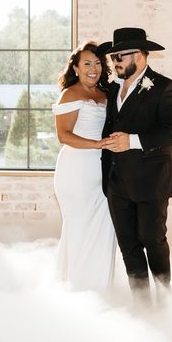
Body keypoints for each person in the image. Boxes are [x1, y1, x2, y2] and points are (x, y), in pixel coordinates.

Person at [97, 27, 172, 302]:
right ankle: (142, 303)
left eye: (120, 56)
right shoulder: (113, 88)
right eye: (112, 57)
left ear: (140, 56)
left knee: (152, 240)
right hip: (116, 182)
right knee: (129, 246)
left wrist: (132, 141)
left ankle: (165, 299)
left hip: (152, 181)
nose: (114, 62)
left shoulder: (166, 88)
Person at [51, 42, 118, 291]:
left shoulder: (106, 93)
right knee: (80, 227)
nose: (93, 68)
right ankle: (78, 288)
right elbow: (64, 135)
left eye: (98, 63)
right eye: (87, 63)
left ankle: (101, 286)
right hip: (77, 170)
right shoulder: (70, 94)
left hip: (104, 171)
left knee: (104, 228)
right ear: (76, 68)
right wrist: (97, 144)